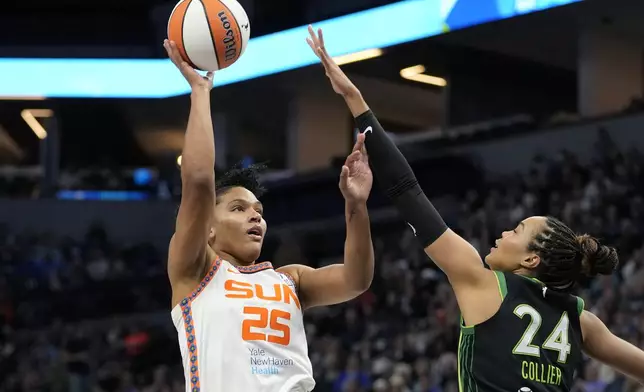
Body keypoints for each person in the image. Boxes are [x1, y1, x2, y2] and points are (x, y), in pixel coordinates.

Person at [307, 26, 644, 392]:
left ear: (531, 260)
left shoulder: (483, 282)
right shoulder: (582, 322)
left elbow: (407, 190)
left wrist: (356, 100)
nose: (503, 232)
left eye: (516, 231)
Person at [163, 39, 375, 392]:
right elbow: (199, 180)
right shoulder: (195, 272)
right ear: (209, 230)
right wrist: (200, 91)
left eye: (258, 211)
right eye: (238, 208)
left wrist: (356, 206)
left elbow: (356, 279)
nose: (255, 217)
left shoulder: (290, 280)